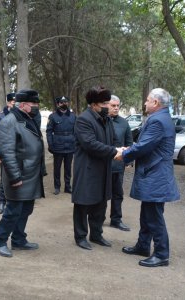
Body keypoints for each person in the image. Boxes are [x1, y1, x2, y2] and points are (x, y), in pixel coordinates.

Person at [117, 88, 180, 267]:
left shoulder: (158, 121)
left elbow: (145, 146)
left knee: (154, 216)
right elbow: (147, 144)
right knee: (147, 213)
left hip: (156, 174)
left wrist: (124, 154)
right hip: (154, 173)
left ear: (156, 103)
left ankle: (161, 254)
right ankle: (143, 245)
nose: (145, 103)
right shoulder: (160, 118)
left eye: (147, 100)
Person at [0, 89, 46, 258]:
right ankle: (0, 241)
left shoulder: (27, 119)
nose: (36, 107)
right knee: (13, 211)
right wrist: (15, 177)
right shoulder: (9, 121)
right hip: (19, 175)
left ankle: (18, 239)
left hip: (31, 173)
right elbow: (7, 152)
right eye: (34, 104)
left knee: (26, 209)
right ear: (22, 105)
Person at [72, 86, 121, 251]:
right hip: (87, 169)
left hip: (104, 168)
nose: (107, 106)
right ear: (93, 104)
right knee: (83, 204)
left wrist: (117, 149)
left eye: (108, 103)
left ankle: (96, 234)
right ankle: (80, 237)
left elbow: (113, 139)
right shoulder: (83, 119)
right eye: (104, 103)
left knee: (100, 204)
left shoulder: (106, 119)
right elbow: (90, 144)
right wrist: (114, 152)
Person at [108, 95, 133, 231]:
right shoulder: (101, 121)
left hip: (118, 167)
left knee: (118, 194)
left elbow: (129, 143)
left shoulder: (124, 123)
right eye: (113, 105)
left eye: (118, 105)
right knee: (100, 194)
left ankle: (116, 219)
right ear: (107, 105)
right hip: (103, 166)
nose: (116, 108)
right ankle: (97, 220)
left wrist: (129, 160)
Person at [0, 93, 16, 214]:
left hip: (17, 152)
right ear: (7, 102)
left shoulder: (20, 116)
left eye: (15, 101)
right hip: (5, 153)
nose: (13, 103)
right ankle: (2, 201)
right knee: (4, 178)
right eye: (11, 101)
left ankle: (14, 200)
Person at [46, 96, 76, 195]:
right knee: (57, 168)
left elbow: (76, 131)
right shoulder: (53, 116)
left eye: (66, 102)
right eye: (62, 102)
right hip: (58, 145)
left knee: (68, 168)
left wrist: (76, 143)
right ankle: (57, 187)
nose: (64, 104)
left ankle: (67, 187)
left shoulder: (73, 116)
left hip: (70, 145)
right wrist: (50, 144)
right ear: (58, 104)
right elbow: (49, 132)